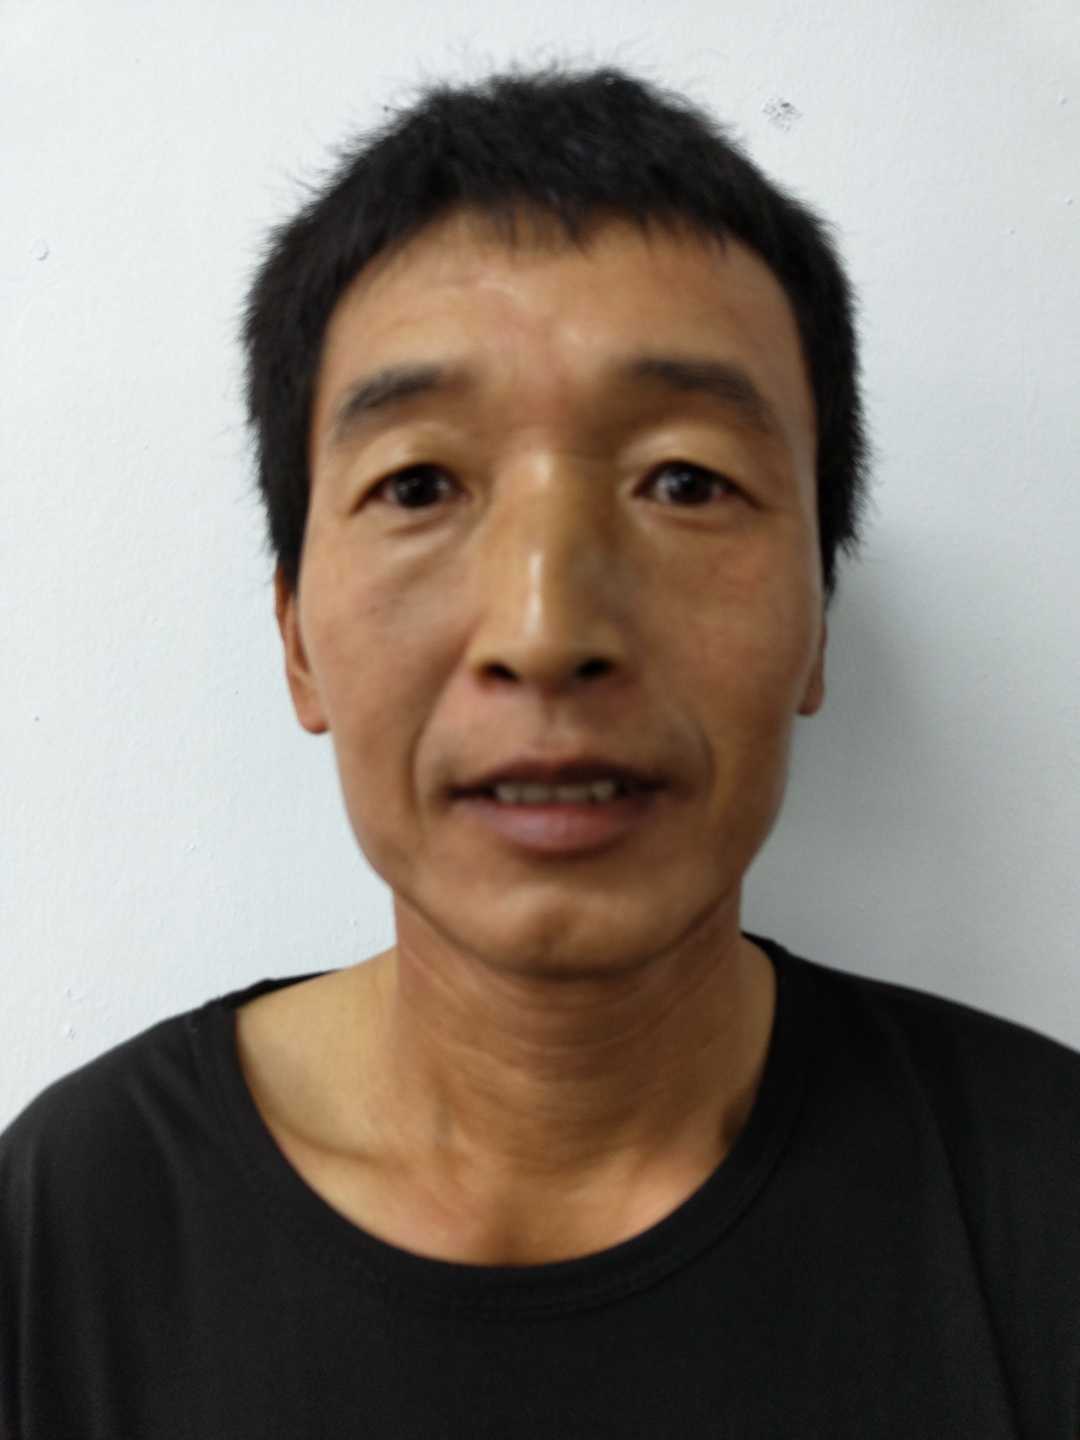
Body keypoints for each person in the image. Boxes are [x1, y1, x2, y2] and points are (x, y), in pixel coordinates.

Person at [2, 60, 1078, 1439]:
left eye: (685, 481)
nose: (546, 629)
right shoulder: (74, 1226)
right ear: (297, 640)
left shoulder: (1044, 1196)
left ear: (818, 624)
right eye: (420, 484)